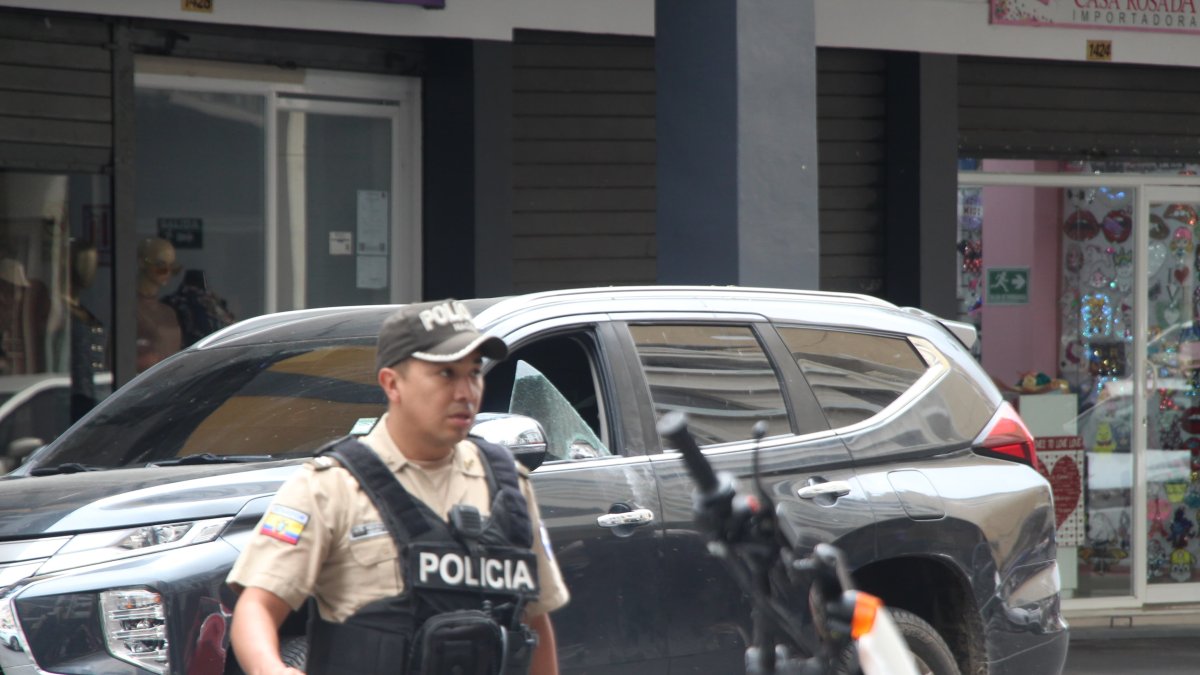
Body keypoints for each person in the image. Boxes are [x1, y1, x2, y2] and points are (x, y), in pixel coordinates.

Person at [227, 298, 570, 675]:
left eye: (473, 373)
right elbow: (256, 606)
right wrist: (269, 668)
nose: (465, 391)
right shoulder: (331, 486)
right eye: (445, 374)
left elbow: (535, 622)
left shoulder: (509, 486)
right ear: (392, 383)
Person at [135, 237, 182, 372]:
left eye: (173, 267)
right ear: (142, 263)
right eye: (161, 266)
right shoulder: (129, 309)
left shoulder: (169, 312)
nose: (167, 273)